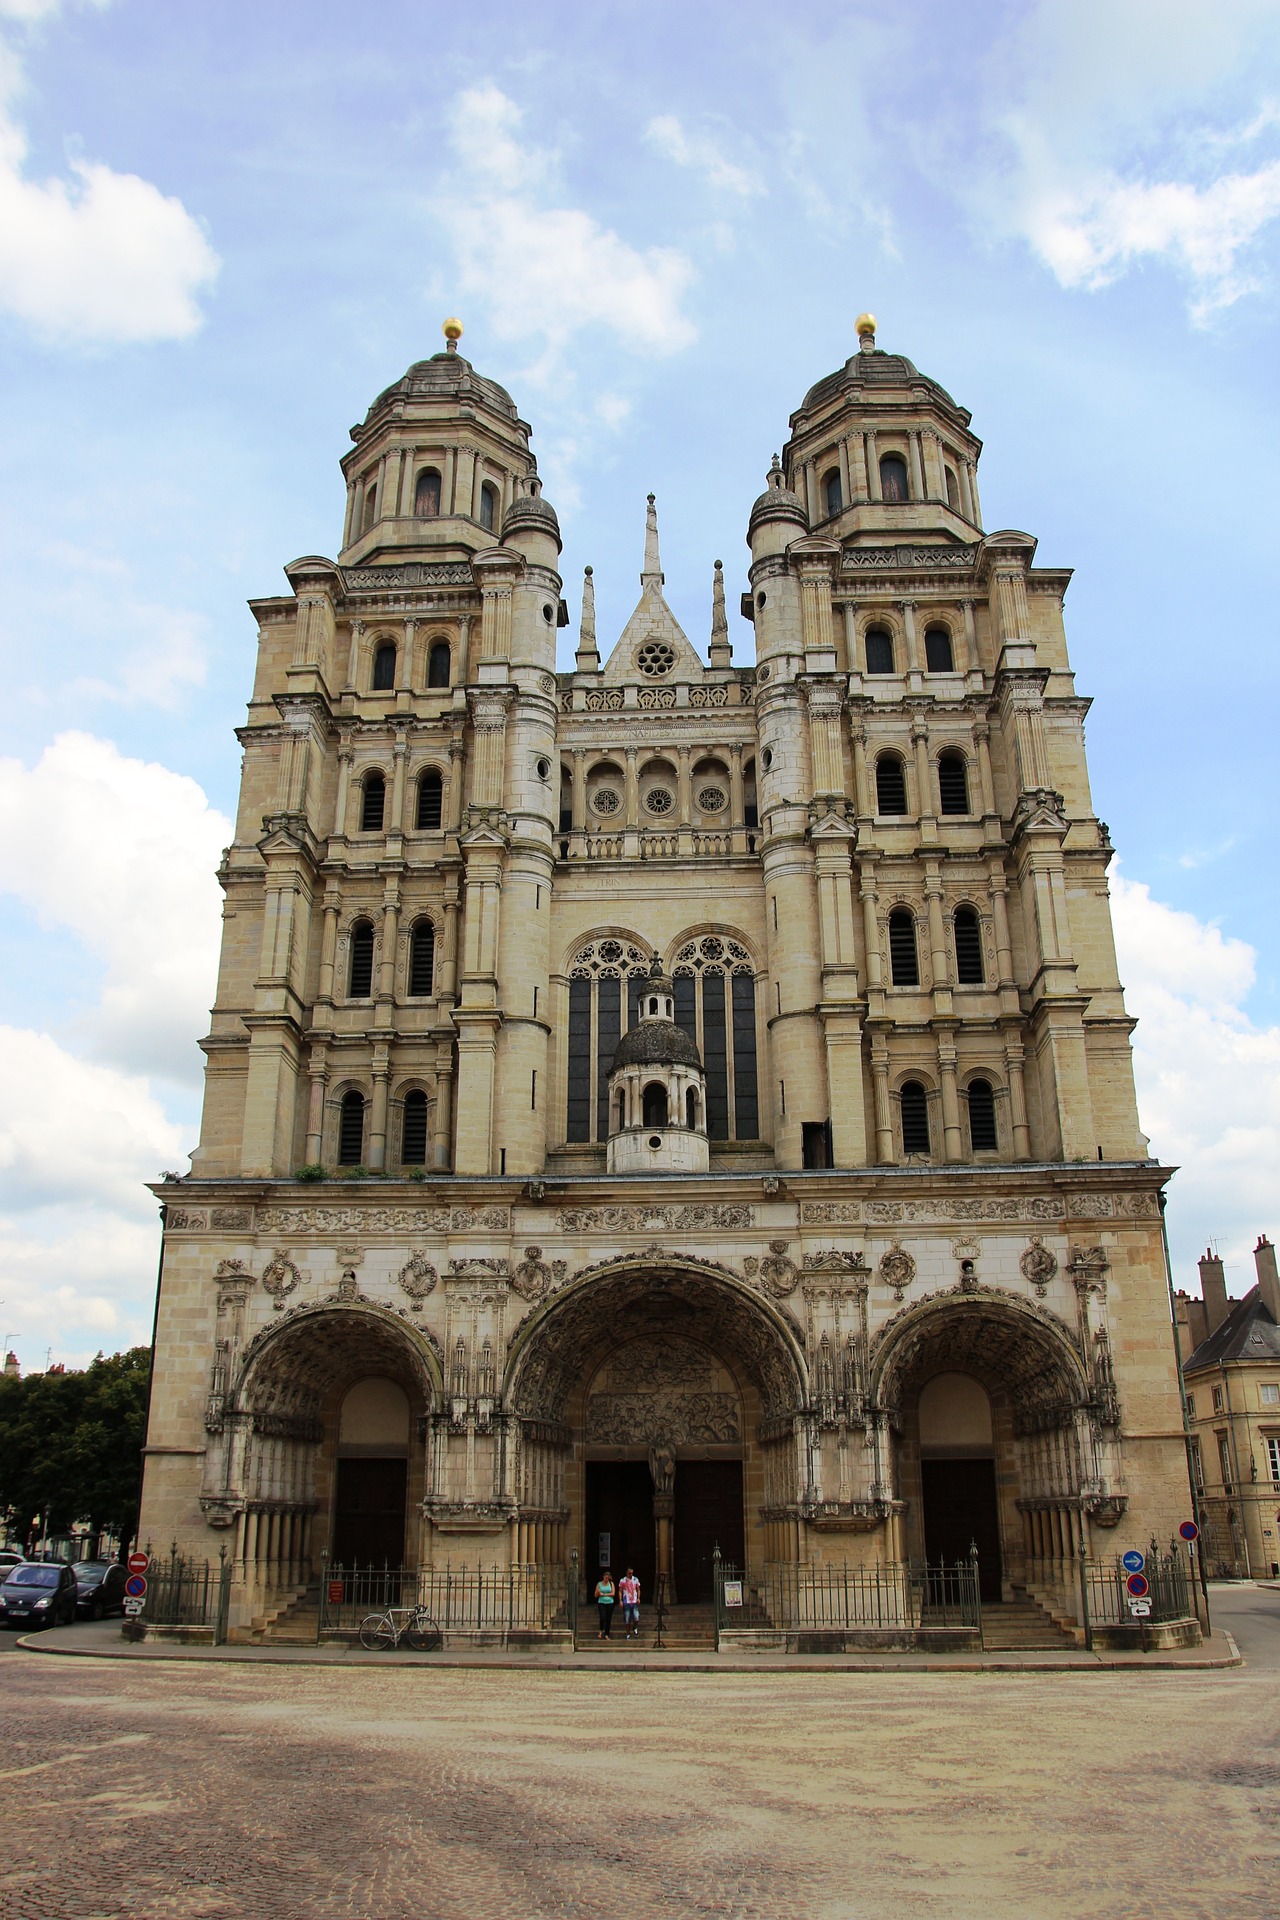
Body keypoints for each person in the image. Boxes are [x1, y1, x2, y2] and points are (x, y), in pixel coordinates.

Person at [619, 1566, 641, 1639]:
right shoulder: (622, 1580)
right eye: (629, 1573)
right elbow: (620, 1591)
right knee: (627, 1618)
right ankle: (628, 1633)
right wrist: (620, 1600)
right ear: (626, 1573)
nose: (631, 1575)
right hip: (626, 1601)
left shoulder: (635, 1579)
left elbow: (638, 1589)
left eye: (632, 1573)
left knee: (636, 1617)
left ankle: (635, 1628)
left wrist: (638, 1598)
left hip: (634, 1601)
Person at [594, 1568, 616, 1639]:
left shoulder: (611, 1584)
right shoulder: (599, 1584)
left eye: (608, 1578)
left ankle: (607, 1634)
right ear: (603, 1577)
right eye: (605, 1578)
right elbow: (596, 1595)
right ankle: (600, 1630)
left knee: (608, 1619)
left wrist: (604, 1594)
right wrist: (598, 1593)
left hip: (610, 1602)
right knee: (603, 1617)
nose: (606, 1579)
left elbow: (613, 1593)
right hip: (601, 1602)